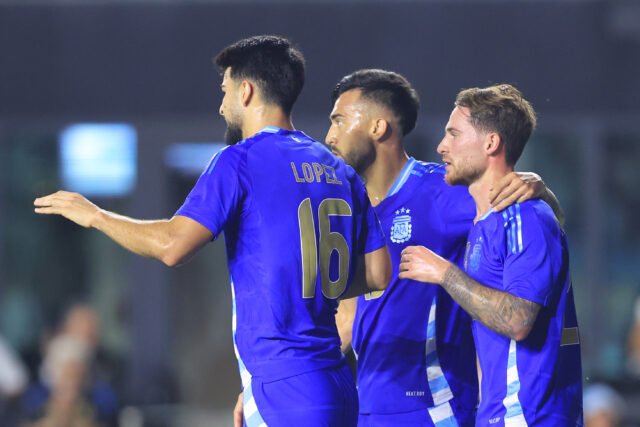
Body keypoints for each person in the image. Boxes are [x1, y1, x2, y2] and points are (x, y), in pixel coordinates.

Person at [34, 35, 391, 427]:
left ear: (246, 91)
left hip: (284, 388)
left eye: (225, 91)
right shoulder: (339, 170)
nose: (221, 106)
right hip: (336, 384)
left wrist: (96, 216)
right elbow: (377, 273)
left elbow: (172, 245)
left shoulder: (239, 161)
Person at [324, 69, 564, 426]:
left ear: (378, 127)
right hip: (369, 409)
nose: (329, 136)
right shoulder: (349, 211)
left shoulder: (442, 191)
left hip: (434, 408)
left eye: (340, 121)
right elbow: (346, 319)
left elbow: (530, 219)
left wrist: (540, 189)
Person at [399, 84, 583, 426]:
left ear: (491, 143)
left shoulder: (525, 217)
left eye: (454, 134)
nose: (441, 146)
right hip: (500, 415)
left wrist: (444, 273)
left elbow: (517, 321)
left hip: (529, 417)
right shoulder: (487, 222)